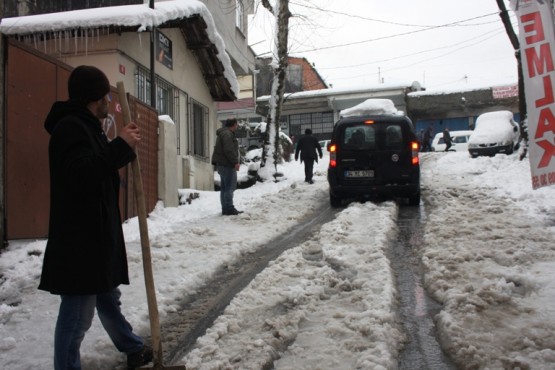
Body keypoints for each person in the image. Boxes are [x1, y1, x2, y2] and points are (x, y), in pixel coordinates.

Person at [39, 65, 152, 370]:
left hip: (95, 238)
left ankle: (131, 347)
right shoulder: (70, 128)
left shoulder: (87, 126)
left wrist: (124, 146)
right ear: (93, 97)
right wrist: (119, 146)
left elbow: (101, 164)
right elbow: (82, 174)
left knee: (107, 298)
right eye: (104, 95)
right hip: (81, 242)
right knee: (76, 317)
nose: (107, 100)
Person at [212, 118, 243, 215]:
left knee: (225, 188)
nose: (237, 126)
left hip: (222, 164)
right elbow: (228, 150)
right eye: (236, 124)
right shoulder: (227, 134)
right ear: (233, 125)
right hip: (227, 164)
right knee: (230, 187)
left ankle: (225, 209)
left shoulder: (224, 133)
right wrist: (235, 162)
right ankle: (229, 208)